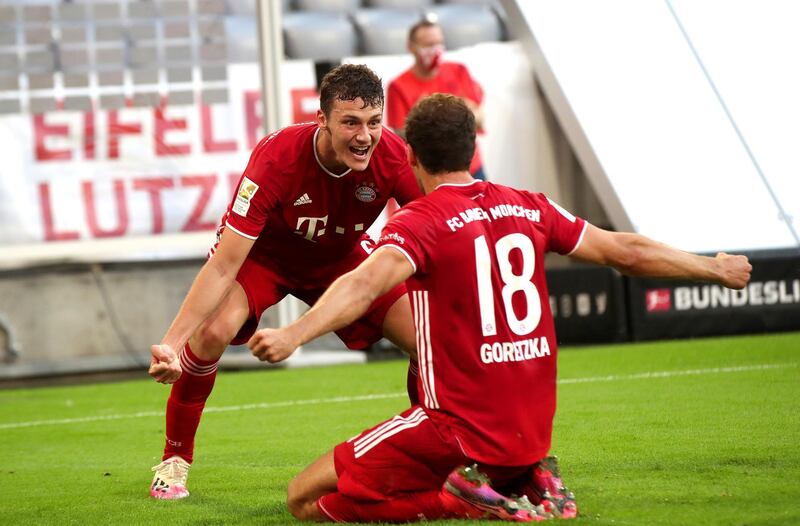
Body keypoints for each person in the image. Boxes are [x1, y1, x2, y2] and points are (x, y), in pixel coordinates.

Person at [247, 94, 753, 523]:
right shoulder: (530, 205)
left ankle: (461, 499)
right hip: (530, 429)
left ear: (413, 158)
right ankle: (527, 475)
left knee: (305, 498)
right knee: (423, 377)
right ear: (473, 149)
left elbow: (362, 285)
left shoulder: (420, 222)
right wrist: (713, 268)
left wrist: (294, 335)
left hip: (458, 429)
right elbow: (626, 252)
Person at [146, 64, 424, 500]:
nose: (364, 136)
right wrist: (171, 344)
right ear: (322, 120)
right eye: (350, 122)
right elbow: (223, 266)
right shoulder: (276, 159)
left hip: (340, 260)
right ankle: (173, 460)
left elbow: (433, 228)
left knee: (426, 342)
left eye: (373, 122)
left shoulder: (392, 154)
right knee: (213, 332)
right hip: (267, 258)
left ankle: (432, 451)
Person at [387, 17, 488, 180]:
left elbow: (481, 118)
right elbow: (401, 136)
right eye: (428, 44)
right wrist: (459, 115)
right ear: (411, 47)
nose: (435, 49)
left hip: (471, 167)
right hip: (431, 173)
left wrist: (427, 120)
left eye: (439, 43)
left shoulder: (459, 71)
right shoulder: (398, 86)